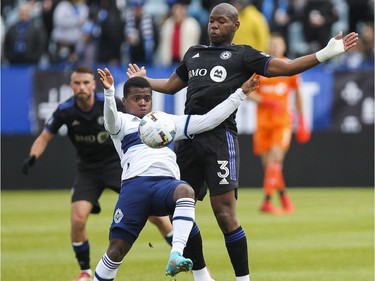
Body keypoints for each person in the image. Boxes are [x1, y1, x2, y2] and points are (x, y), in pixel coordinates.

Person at [126, 3, 358, 280]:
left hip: (219, 139)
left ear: (235, 26)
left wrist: (325, 53)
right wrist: (145, 80)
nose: (213, 25)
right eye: (211, 21)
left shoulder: (243, 55)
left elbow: (286, 67)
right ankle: (202, 276)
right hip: (188, 137)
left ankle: (243, 279)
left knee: (224, 213)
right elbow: (172, 84)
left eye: (221, 21)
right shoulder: (194, 53)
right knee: (179, 207)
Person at [93, 67, 259, 281]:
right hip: (135, 188)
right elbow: (110, 120)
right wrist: (108, 93)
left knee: (185, 190)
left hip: (166, 185)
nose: (142, 102)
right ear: (124, 101)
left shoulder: (165, 121)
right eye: (136, 99)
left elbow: (208, 120)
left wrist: (240, 94)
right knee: (116, 250)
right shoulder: (122, 123)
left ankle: (176, 254)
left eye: (146, 98)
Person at [21, 66, 174, 281]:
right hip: (87, 169)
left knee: (157, 217)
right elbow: (45, 136)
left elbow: (140, 120)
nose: (82, 87)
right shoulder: (65, 110)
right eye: (77, 83)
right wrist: (33, 156)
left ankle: (181, 250)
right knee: (77, 219)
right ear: (71, 86)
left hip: (116, 166)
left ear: (93, 85)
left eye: (86, 83)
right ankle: (85, 272)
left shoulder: (109, 104)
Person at [247, 32, 311, 215]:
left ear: (284, 47)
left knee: (275, 159)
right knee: (269, 167)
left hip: (282, 122)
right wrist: (263, 101)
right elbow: (247, 92)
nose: (274, 47)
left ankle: (266, 202)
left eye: (278, 44)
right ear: (268, 46)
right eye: (272, 44)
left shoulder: (289, 67)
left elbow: (298, 94)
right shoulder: (260, 69)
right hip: (262, 123)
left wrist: (302, 121)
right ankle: (284, 198)